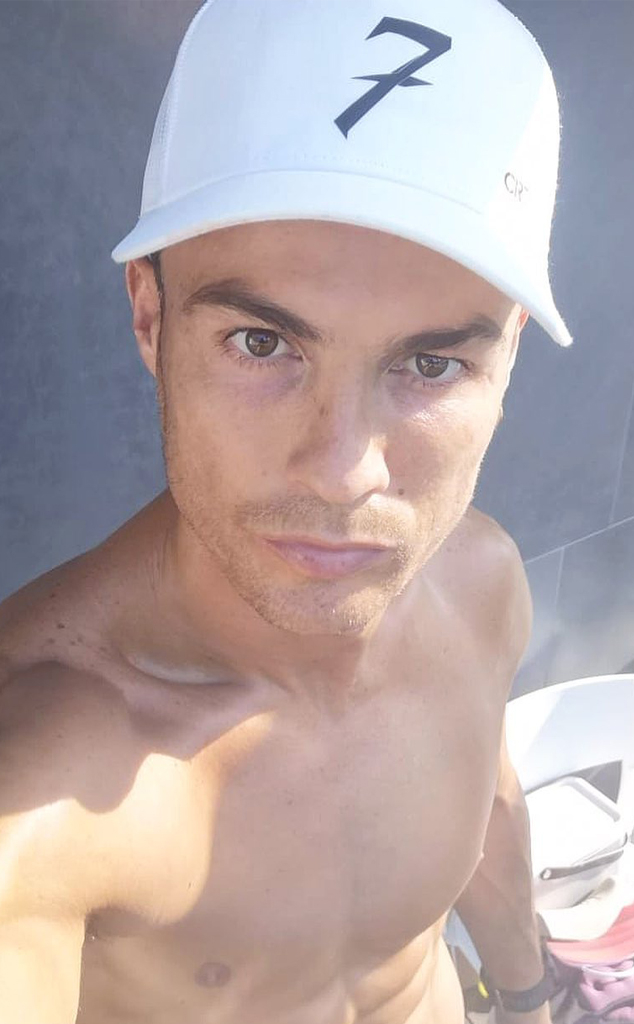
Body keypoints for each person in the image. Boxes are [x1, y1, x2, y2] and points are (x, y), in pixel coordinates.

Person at [0, 0, 572, 1021]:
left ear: (509, 354)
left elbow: (483, 806)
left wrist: (530, 996)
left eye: (431, 363)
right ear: (150, 316)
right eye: (262, 344)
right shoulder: (36, 789)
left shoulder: (480, 584)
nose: (344, 473)